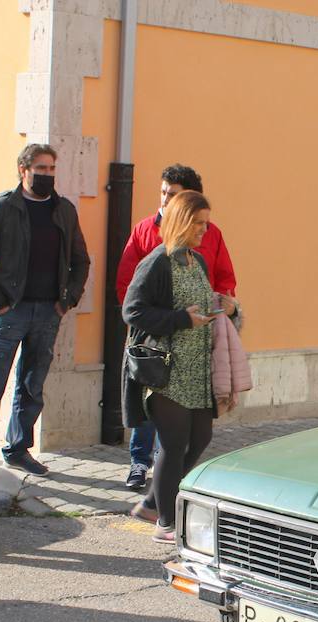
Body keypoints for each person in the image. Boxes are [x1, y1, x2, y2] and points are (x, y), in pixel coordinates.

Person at [0, 143, 90, 484]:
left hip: (48, 312)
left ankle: (18, 448)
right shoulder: (4, 207)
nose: (47, 175)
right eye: (41, 169)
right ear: (23, 169)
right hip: (10, 313)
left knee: (32, 385)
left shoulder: (63, 210)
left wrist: (69, 300)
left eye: (51, 169)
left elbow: (81, 260)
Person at [122, 190, 239, 542]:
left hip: (198, 369)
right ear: (181, 222)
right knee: (173, 445)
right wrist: (180, 320)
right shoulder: (158, 262)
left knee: (201, 437)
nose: (205, 230)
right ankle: (166, 522)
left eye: (206, 223)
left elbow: (201, 304)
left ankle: (154, 502)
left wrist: (225, 305)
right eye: (199, 223)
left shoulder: (197, 261)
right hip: (167, 372)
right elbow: (133, 310)